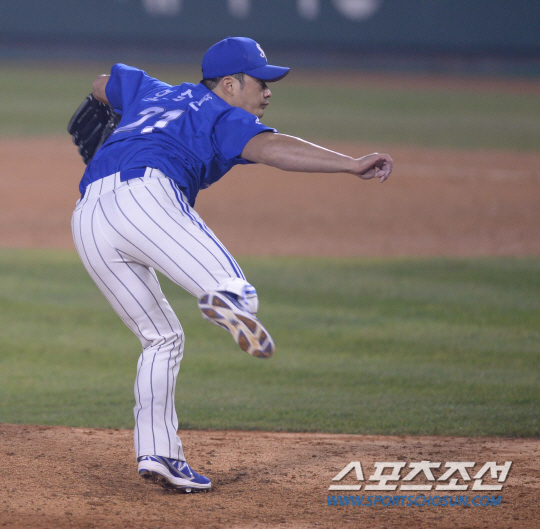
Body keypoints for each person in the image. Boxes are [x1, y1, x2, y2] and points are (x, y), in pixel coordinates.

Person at [71, 36, 393, 493]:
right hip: (146, 197)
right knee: (234, 290)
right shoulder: (222, 115)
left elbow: (102, 84)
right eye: (260, 82)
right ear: (229, 85)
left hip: (88, 215)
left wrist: (114, 108)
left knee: (161, 337)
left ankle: (160, 454)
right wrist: (350, 164)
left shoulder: (152, 90)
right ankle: (224, 300)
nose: (268, 92)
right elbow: (273, 148)